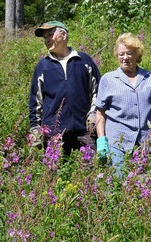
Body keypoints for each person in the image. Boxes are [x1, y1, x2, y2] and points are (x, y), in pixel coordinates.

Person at [95, 33, 151, 170]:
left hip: (148, 143)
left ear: (137, 55)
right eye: (121, 54)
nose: (125, 58)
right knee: (117, 185)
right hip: (117, 144)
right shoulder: (108, 79)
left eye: (129, 53)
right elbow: (100, 113)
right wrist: (101, 140)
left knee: (146, 185)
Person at [28, 21, 101, 156]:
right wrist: (35, 128)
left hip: (84, 131)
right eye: (45, 38)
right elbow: (35, 100)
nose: (47, 40)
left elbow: (99, 91)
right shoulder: (43, 66)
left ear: (63, 34)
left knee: (88, 172)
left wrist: (93, 113)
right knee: (53, 174)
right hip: (54, 134)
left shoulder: (83, 61)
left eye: (50, 35)